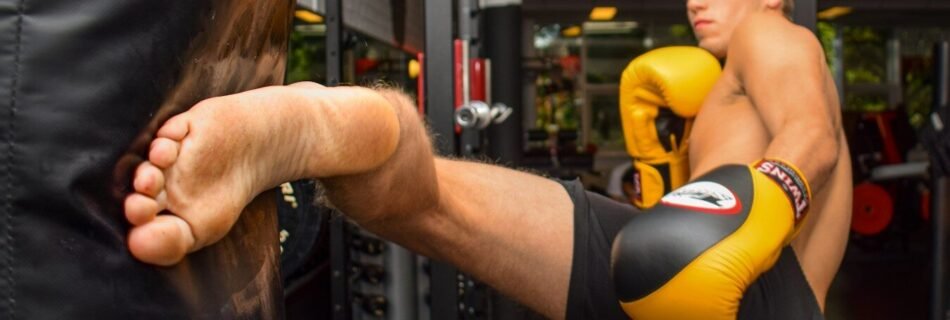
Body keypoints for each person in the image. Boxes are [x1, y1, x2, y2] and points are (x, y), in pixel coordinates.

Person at [122, 0, 851, 319]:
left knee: (430, 201)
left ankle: (327, 122)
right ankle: (315, 130)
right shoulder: (721, 80)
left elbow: (811, 138)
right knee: (428, 202)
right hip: (668, 275)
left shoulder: (774, 36)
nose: (697, 1)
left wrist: (741, 214)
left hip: (759, 297)